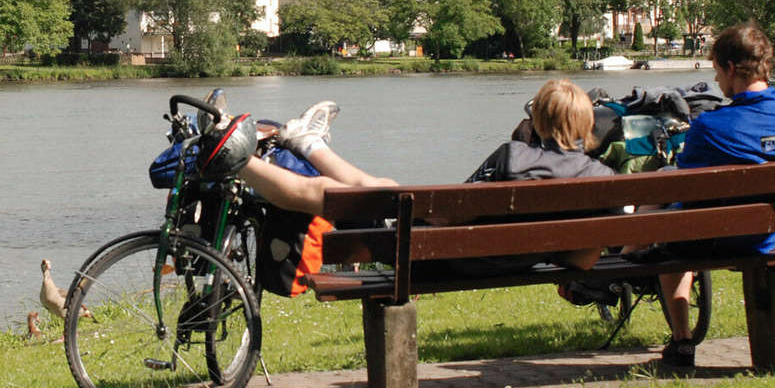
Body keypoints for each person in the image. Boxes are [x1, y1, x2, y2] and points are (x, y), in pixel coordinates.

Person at [229, 79, 614, 271]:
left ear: (539, 119)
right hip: (501, 261)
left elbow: (450, 211)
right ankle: (306, 144)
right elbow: (583, 259)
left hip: (441, 258)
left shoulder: (514, 156)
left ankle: (242, 159)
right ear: (586, 122)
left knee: (342, 196)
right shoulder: (601, 178)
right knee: (379, 190)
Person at [652, 21, 775, 367]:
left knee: (674, 235)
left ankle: (682, 340)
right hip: (762, 239)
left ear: (730, 68)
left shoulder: (709, 127)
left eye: (716, 72)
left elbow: (685, 180)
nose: (716, 82)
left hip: (706, 240)